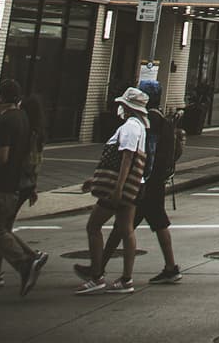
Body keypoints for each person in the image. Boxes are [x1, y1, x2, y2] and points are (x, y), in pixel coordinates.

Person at [94, 79, 183, 284]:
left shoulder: (149, 120)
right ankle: (170, 267)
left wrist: (139, 178)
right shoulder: (164, 120)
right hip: (157, 181)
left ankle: (100, 270)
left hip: (146, 182)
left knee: (123, 227)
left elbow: (145, 153)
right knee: (155, 224)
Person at [76, 87, 150, 294]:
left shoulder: (129, 127)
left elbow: (126, 158)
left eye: (122, 105)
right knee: (126, 230)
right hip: (135, 184)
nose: (120, 108)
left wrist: (117, 188)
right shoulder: (141, 127)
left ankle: (96, 275)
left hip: (119, 187)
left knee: (94, 226)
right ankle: (126, 278)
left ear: (127, 107)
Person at [0, 79, 46, 296]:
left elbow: (2, 156)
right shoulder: (23, 119)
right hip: (11, 186)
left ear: (2, 98)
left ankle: (25, 262)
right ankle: (27, 262)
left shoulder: (6, 121)